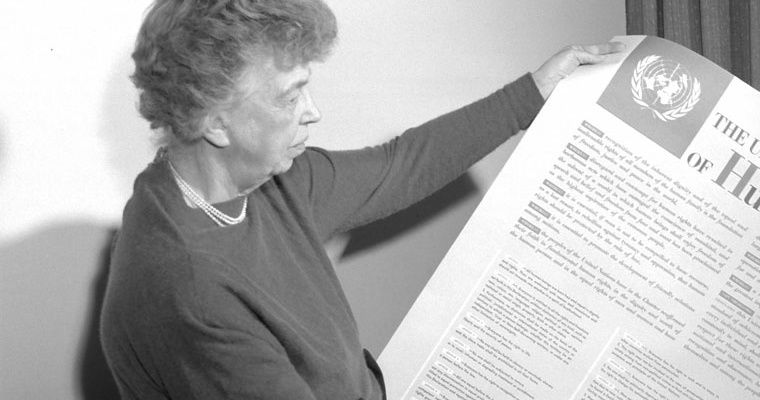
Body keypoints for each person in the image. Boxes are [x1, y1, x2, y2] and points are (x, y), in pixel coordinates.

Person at [98, 0, 621, 398]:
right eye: (289, 95)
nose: (313, 111)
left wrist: (534, 91)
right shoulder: (187, 288)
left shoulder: (270, 182)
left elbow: (401, 165)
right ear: (214, 122)